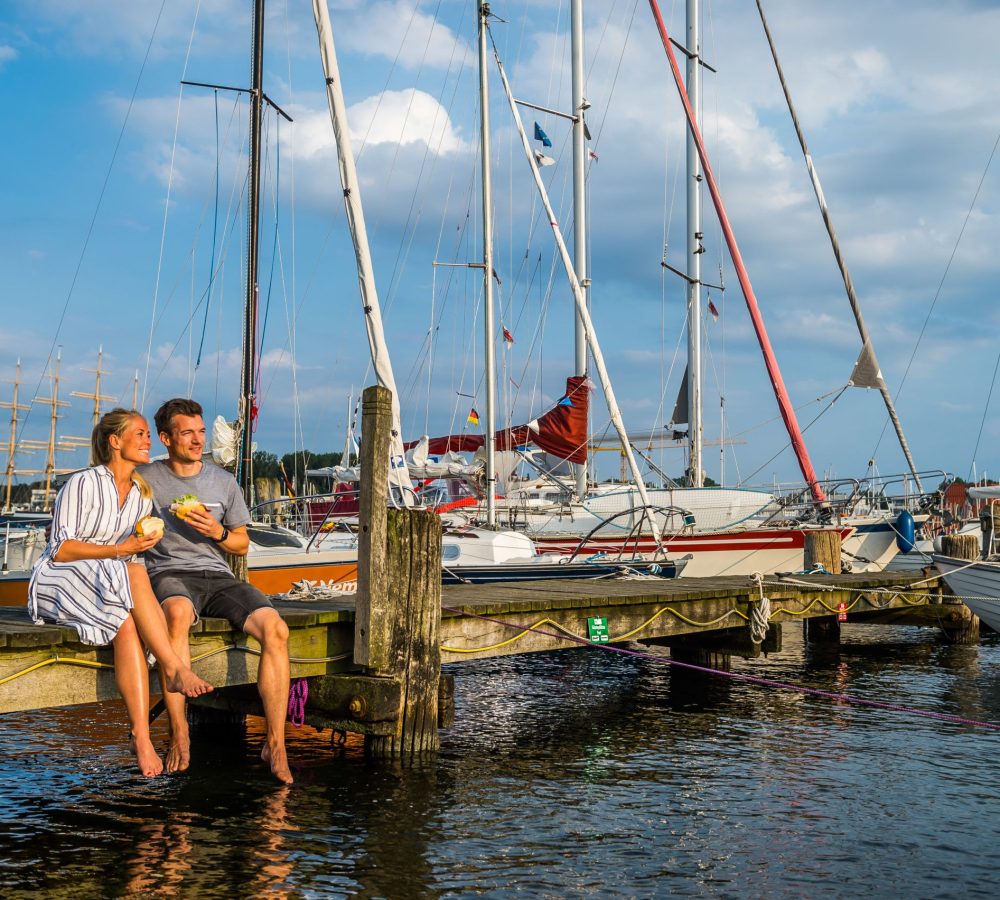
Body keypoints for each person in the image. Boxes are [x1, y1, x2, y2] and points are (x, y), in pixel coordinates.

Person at [28, 409, 214, 778]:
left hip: (109, 578)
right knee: (129, 566)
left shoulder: (141, 494)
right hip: (59, 576)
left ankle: (140, 735)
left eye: (148, 435)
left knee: (127, 619)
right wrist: (122, 549)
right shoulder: (83, 483)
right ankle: (172, 669)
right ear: (115, 441)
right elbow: (61, 549)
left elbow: (129, 553)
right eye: (141, 434)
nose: (148, 441)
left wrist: (142, 543)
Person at [139, 398, 293, 784]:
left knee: (277, 629)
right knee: (176, 615)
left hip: (217, 575)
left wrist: (217, 532)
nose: (196, 440)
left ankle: (275, 743)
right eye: (187, 432)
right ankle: (180, 732)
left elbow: (241, 543)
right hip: (168, 572)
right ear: (165, 438)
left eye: (201, 431)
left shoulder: (222, 481)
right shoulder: (146, 479)